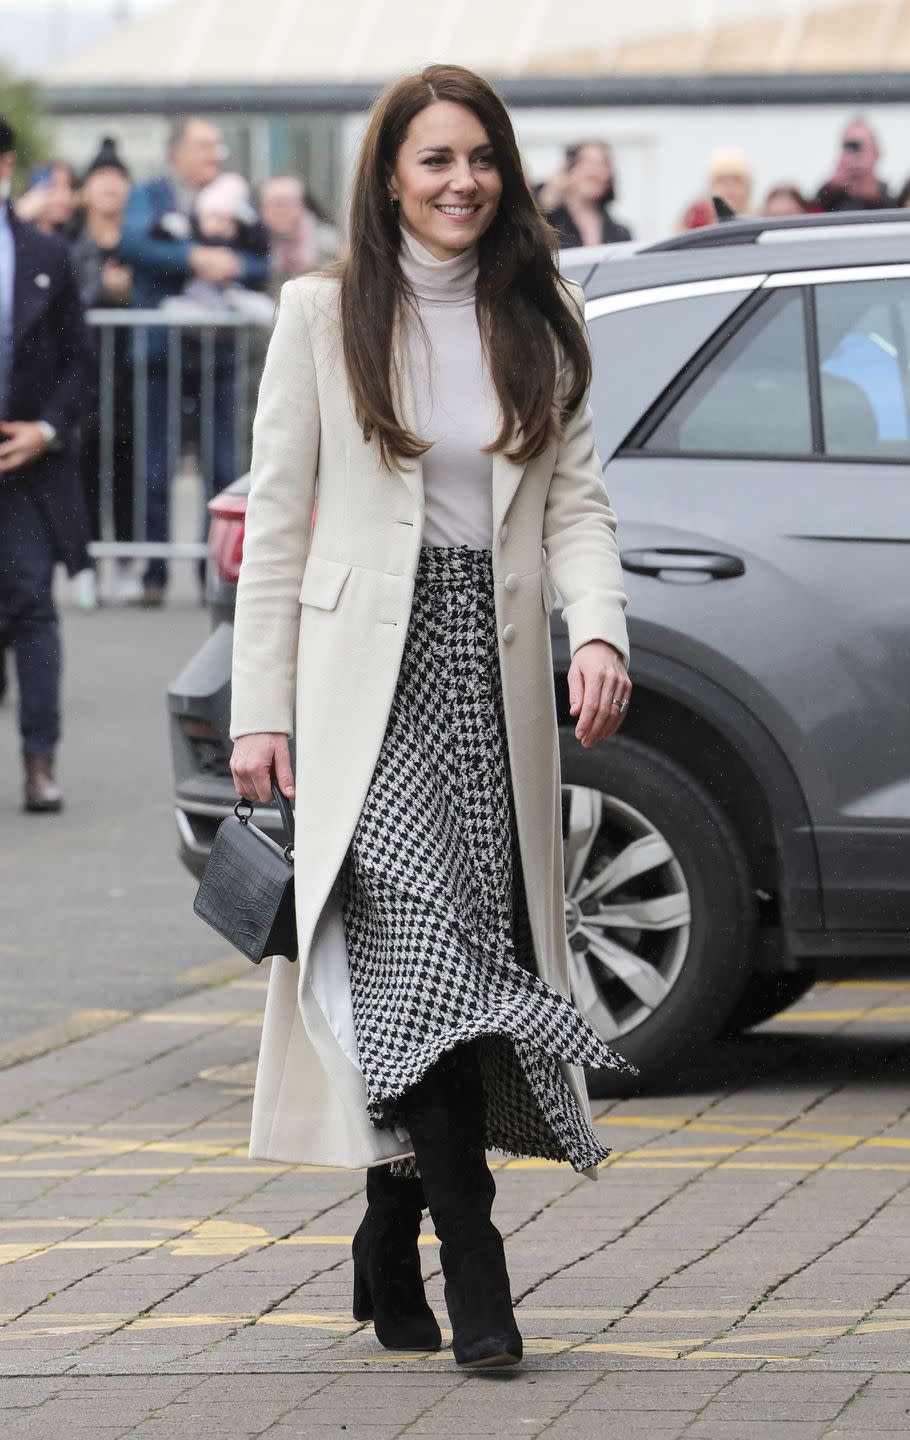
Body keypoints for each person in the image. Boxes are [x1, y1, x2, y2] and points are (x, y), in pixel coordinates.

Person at [228, 63, 634, 1371]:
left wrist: (601, 630)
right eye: (434, 160)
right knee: (426, 962)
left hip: (490, 676)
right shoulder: (320, 313)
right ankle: (476, 1261)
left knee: (452, 974)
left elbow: (573, 504)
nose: (462, 182)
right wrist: (259, 713)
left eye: (480, 159)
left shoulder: (543, 309)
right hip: (365, 688)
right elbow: (278, 533)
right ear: (389, 177)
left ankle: (383, 1223)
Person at [119, 116, 270, 605]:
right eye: (204, 146)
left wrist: (236, 265)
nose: (215, 155)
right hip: (162, 348)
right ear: (176, 153)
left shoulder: (234, 198)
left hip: (218, 351)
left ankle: (217, 575)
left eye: (217, 145)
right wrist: (194, 257)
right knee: (156, 463)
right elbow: (134, 243)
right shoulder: (150, 195)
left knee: (222, 463)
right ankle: (155, 573)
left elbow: (260, 258)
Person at [0, 117, 92, 811]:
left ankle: (40, 761)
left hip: (26, 466)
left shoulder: (46, 253)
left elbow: (78, 364)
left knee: (32, 606)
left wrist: (46, 430)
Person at [67, 137, 138, 604]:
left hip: (133, 371)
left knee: (130, 465)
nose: (110, 186)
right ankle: (87, 565)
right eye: (101, 178)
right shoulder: (69, 239)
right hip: (83, 370)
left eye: (118, 178)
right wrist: (102, 294)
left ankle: (130, 564)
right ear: (85, 189)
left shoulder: (140, 238)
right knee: (85, 465)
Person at [536, 140, 632, 248]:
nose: (595, 172)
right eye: (587, 163)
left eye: (603, 164)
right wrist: (548, 195)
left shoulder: (620, 234)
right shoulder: (548, 223)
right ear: (568, 170)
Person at [259, 174, 340, 295]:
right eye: (275, 203)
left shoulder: (327, 240)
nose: (282, 210)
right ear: (262, 209)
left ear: (302, 205)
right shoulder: (249, 240)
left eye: (288, 202)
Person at [814, 118, 895, 212]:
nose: (852, 154)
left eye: (857, 147)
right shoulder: (830, 196)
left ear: (876, 154)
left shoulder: (887, 198)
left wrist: (874, 198)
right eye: (848, 146)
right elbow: (809, 217)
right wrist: (831, 189)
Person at [680, 147, 753, 230]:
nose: (729, 186)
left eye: (736, 180)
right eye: (721, 180)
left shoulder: (760, 221)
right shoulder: (694, 222)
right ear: (710, 187)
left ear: (748, 188)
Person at [15, 161, 78, 234]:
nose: (66, 195)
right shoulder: (15, 228)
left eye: (70, 187)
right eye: (54, 185)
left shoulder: (73, 235)